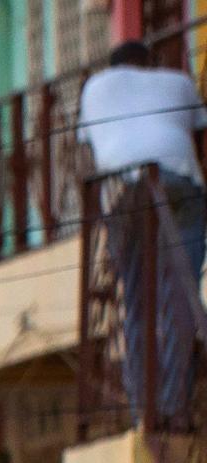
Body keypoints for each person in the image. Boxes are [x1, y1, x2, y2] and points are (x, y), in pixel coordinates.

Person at [87, 40, 207, 418]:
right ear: (150, 64)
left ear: (114, 67)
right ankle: (177, 401)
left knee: (137, 303)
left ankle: (145, 409)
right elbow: (199, 141)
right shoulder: (178, 81)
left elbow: (88, 152)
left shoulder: (95, 87)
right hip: (178, 181)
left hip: (125, 193)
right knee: (182, 293)